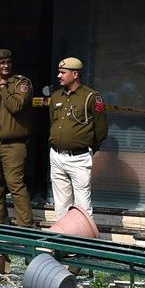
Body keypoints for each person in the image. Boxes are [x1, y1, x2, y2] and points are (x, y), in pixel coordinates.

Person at [0, 49, 34, 227]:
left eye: (8, 62)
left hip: (12, 145)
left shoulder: (21, 84)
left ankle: (26, 228)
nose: (5, 65)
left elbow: (16, 106)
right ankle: (1, 225)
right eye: (1, 63)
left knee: (15, 185)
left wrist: (3, 87)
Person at [49, 57, 108, 218]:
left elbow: (101, 129)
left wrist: (88, 148)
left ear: (75, 74)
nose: (59, 76)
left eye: (63, 73)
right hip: (56, 155)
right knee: (61, 204)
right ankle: (63, 238)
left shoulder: (91, 96)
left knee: (83, 205)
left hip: (79, 157)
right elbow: (53, 121)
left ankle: (83, 241)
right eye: (59, 72)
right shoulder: (56, 96)